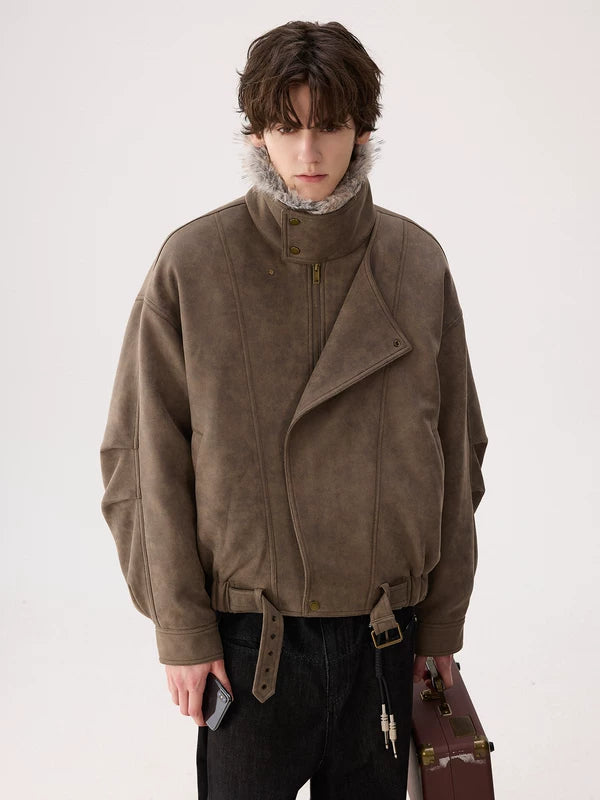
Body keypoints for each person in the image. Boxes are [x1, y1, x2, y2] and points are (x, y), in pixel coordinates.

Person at [99, 19, 488, 800]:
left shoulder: (415, 263)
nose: (309, 152)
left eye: (330, 125)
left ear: (363, 129)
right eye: (287, 126)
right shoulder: (195, 264)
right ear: (257, 133)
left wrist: (442, 625)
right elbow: (142, 464)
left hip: (386, 640)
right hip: (251, 650)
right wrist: (183, 630)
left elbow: (457, 452)